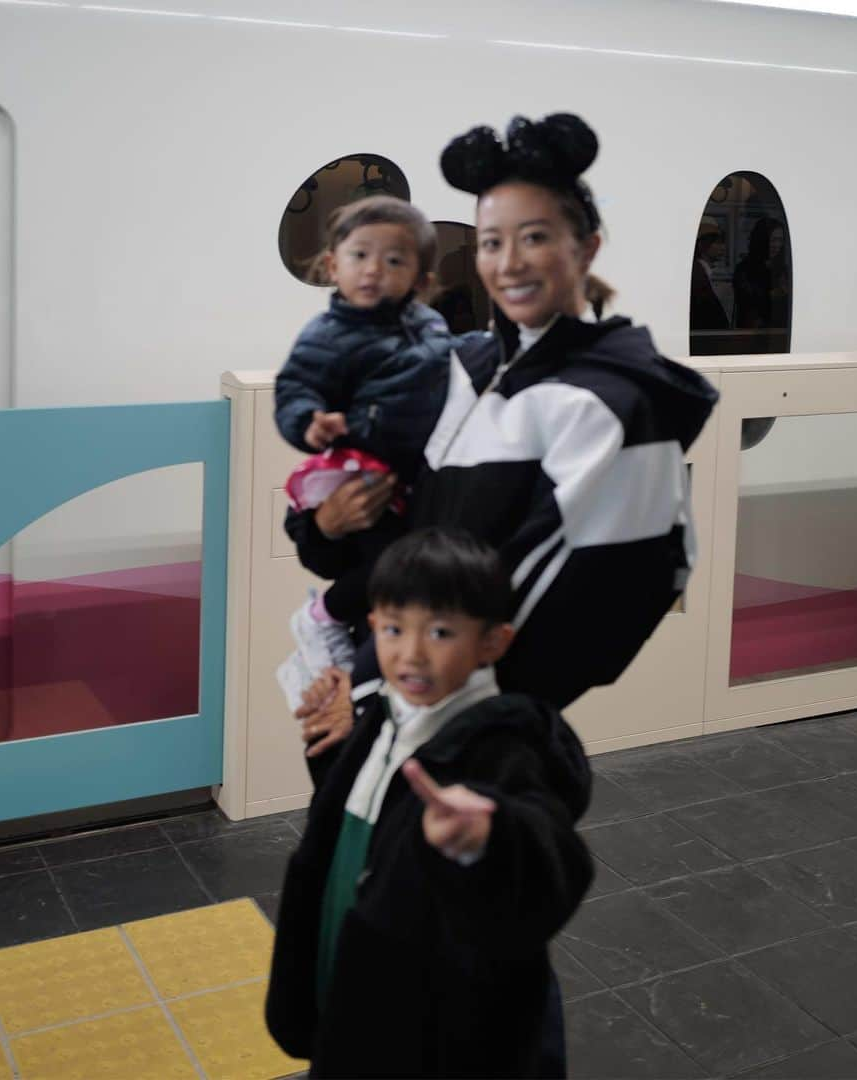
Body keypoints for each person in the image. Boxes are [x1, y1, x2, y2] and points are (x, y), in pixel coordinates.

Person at [287, 113, 719, 727]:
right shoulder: (460, 365)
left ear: (586, 247)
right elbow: (369, 489)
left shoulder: (613, 406)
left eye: (535, 237)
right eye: (491, 241)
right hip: (382, 686)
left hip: (467, 727)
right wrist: (324, 524)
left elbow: (583, 608)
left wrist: (376, 701)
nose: (509, 262)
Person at [265, 528, 594, 1078]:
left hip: (437, 1021)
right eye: (394, 629)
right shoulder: (386, 714)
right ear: (373, 627)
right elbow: (368, 806)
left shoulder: (504, 745)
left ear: (493, 642)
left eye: (440, 632)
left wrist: (488, 838)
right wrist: (336, 748)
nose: (411, 654)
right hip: (356, 956)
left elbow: (551, 854)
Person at [274, 195, 454, 687]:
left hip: (411, 476)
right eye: (359, 256)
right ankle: (324, 618)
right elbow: (295, 387)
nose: (374, 269)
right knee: (394, 570)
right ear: (333, 265)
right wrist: (308, 422)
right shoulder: (327, 333)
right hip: (362, 470)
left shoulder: (434, 327)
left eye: (393, 260)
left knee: (410, 570)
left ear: (421, 281)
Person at [733, 215, 789, 334]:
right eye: (772, 239)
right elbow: (747, 301)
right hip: (753, 335)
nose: (776, 245)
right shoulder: (744, 268)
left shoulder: (783, 269)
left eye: (780, 240)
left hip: (781, 333)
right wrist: (777, 293)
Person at [690, 217, 730, 332]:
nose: (722, 247)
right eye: (716, 242)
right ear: (703, 244)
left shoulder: (703, 271)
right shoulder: (698, 273)